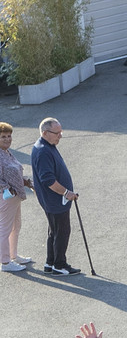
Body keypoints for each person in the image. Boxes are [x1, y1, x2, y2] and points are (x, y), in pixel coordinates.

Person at [30, 117, 79, 276]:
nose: (60, 135)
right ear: (45, 132)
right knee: (62, 232)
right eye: (57, 133)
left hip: (52, 201)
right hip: (56, 201)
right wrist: (67, 192)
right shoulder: (43, 151)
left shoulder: (46, 146)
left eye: (61, 132)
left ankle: (50, 263)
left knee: (54, 231)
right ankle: (59, 265)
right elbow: (48, 180)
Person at [0, 121, 35, 272]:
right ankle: (5, 262)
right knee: (5, 229)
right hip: (6, 197)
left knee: (16, 226)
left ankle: (13, 255)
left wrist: (26, 181)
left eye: (9, 136)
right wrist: (7, 188)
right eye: (3, 137)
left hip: (15, 196)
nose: (7, 139)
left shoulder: (6, 152)